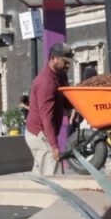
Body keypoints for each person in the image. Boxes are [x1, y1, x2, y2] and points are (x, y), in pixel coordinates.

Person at [25, 43, 74, 175]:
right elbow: (47, 116)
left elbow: (67, 102)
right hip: (40, 134)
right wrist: (54, 146)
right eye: (65, 61)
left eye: (69, 62)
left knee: (41, 175)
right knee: (54, 173)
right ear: (53, 58)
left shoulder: (60, 76)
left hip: (44, 132)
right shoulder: (46, 82)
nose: (68, 65)